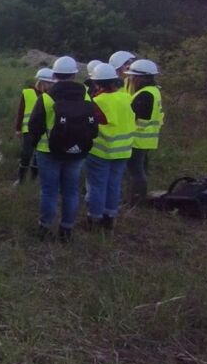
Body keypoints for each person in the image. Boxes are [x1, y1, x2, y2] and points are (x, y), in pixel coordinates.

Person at [28, 56, 98, 242]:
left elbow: (34, 127)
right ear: (75, 74)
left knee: (49, 191)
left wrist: (36, 145)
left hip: (48, 151)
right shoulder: (86, 95)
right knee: (71, 191)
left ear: (55, 75)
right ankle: (66, 230)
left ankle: (44, 227)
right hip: (78, 151)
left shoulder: (46, 98)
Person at [84, 63, 136, 231]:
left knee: (97, 185)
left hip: (101, 151)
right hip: (124, 150)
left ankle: (94, 219)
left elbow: (94, 126)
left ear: (97, 83)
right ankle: (110, 218)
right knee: (114, 184)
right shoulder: (126, 97)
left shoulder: (98, 101)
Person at [124, 59, 164, 207]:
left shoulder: (144, 95)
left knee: (136, 172)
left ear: (141, 78)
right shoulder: (153, 91)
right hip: (146, 139)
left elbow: (131, 116)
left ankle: (136, 202)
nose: (131, 80)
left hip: (138, 140)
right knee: (140, 170)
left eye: (133, 77)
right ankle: (137, 199)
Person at [14, 68, 55, 185]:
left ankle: (33, 179)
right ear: (42, 82)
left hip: (44, 131)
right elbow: (20, 112)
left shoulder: (50, 95)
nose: (51, 85)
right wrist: (18, 128)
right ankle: (21, 179)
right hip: (28, 130)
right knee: (26, 154)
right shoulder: (27, 92)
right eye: (50, 83)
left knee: (38, 156)